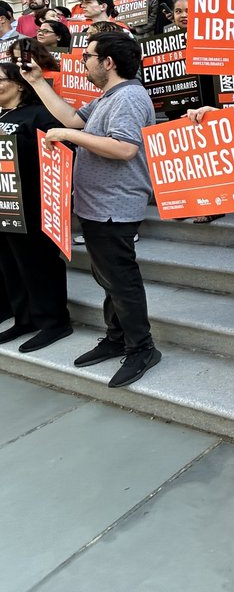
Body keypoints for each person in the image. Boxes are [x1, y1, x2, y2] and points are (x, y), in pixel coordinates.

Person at [19, 31, 160, 386]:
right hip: (99, 205)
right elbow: (71, 119)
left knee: (121, 280)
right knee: (108, 278)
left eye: (88, 56)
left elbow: (124, 148)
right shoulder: (109, 97)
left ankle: (142, 348)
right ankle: (116, 338)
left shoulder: (128, 97)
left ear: (108, 62)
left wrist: (69, 139)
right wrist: (37, 82)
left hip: (115, 205)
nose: (83, 62)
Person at [0, 61, 71, 354]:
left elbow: (60, 151)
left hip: (31, 204)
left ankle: (54, 321)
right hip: (3, 204)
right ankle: (24, 317)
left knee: (38, 264)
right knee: (10, 265)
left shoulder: (39, 114)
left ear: (18, 84)